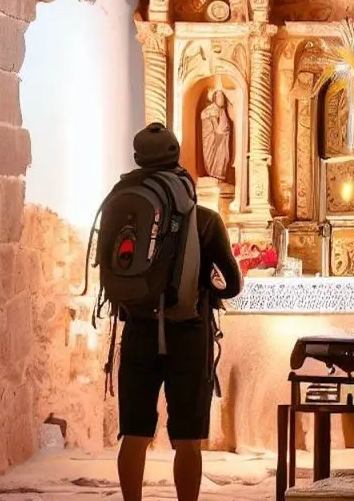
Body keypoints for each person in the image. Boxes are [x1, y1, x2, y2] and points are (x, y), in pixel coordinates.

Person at [115, 123, 242, 501]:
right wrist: (203, 285)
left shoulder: (123, 209)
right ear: (177, 158)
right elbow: (232, 283)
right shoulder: (203, 219)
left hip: (138, 329)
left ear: (139, 159)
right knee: (188, 440)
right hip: (188, 333)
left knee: (134, 436)